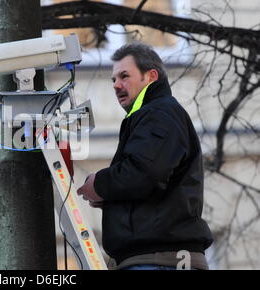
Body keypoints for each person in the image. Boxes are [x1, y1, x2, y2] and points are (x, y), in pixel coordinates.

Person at [77, 43, 213, 270]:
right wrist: (110, 197)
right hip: (155, 259)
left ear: (150, 77)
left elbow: (143, 173)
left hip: (159, 261)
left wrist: (99, 184)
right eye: (113, 80)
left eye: (124, 76)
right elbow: (151, 184)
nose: (116, 85)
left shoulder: (158, 113)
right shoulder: (150, 115)